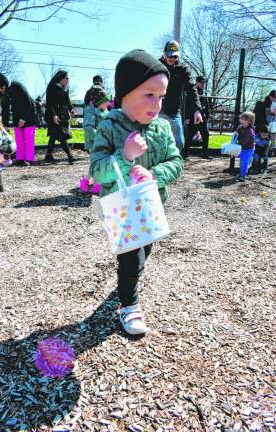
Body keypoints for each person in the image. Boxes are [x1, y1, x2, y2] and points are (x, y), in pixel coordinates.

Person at [90, 49, 183, 335]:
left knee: (145, 249)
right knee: (131, 257)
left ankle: (128, 284)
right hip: (121, 207)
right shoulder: (109, 126)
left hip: (152, 204)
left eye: (161, 96)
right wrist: (125, 156)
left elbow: (177, 162)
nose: (157, 103)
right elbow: (96, 170)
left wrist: (155, 175)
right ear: (126, 93)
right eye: (149, 94)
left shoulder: (162, 128)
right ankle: (128, 305)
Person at [159, 40, 202, 153]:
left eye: (175, 56)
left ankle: (174, 165)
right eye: (170, 56)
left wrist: (197, 110)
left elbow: (192, 88)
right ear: (164, 53)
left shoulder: (182, 69)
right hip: (156, 110)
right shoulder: (156, 65)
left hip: (173, 110)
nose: (172, 59)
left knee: (179, 143)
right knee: (156, 141)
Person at [0, 73, 36, 167]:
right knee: (19, 139)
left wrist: (24, 118)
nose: (1, 90)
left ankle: (29, 159)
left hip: (29, 115)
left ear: (6, 84)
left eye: (2, 88)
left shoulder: (17, 86)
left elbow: (29, 102)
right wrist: (4, 125)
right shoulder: (2, 92)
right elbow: (5, 109)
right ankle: (20, 159)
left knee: (28, 139)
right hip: (17, 116)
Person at [81, 85, 110, 194]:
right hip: (94, 143)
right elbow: (88, 128)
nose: (108, 104)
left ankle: (87, 182)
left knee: (96, 165)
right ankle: (96, 185)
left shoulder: (105, 111)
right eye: (106, 101)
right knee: (97, 164)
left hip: (103, 143)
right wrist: (98, 139)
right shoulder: (91, 111)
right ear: (99, 102)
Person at [44, 70, 76, 164]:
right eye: (66, 78)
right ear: (61, 78)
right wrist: (54, 115)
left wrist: (71, 109)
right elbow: (49, 103)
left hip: (61, 115)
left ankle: (48, 155)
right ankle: (70, 156)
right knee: (62, 135)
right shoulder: (52, 87)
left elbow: (67, 100)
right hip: (53, 115)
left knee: (53, 135)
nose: (68, 80)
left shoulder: (63, 88)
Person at [184, 75, 212, 159]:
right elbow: (187, 106)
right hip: (193, 117)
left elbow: (207, 105)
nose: (203, 84)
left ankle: (205, 153)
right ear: (197, 82)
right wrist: (187, 117)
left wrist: (208, 115)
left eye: (204, 83)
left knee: (205, 135)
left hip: (202, 117)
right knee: (189, 135)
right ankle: (185, 153)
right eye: (201, 82)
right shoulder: (192, 92)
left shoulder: (204, 93)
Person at [235, 111, 255, 182]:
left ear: (250, 121)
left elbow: (244, 141)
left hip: (248, 149)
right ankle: (242, 174)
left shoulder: (250, 130)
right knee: (242, 161)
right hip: (243, 148)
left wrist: (238, 144)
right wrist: (236, 132)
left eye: (245, 120)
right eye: (241, 119)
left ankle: (243, 175)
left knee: (244, 162)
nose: (242, 121)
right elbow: (237, 131)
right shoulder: (241, 127)